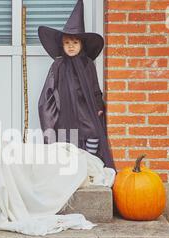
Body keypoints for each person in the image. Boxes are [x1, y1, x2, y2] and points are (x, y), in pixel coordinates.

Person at [38, 0, 116, 171]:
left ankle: (89, 163)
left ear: (81, 45)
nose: (71, 46)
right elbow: (49, 91)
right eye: (67, 43)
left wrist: (97, 106)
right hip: (66, 109)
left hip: (85, 109)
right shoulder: (58, 66)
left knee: (93, 133)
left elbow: (95, 89)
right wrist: (50, 112)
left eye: (75, 42)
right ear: (62, 45)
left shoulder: (88, 64)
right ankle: (73, 170)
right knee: (69, 138)